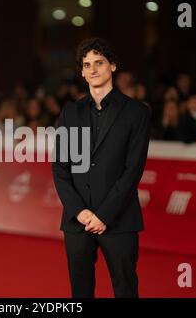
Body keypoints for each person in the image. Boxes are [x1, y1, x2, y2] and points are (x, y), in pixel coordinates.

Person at [52, 37, 151, 298]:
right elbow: (61, 169)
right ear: (82, 71)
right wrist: (80, 212)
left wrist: (103, 215)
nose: (93, 69)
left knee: (125, 289)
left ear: (113, 66)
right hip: (77, 222)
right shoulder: (70, 113)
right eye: (87, 65)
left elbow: (133, 171)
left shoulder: (136, 112)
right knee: (80, 292)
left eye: (99, 62)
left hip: (119, 219)